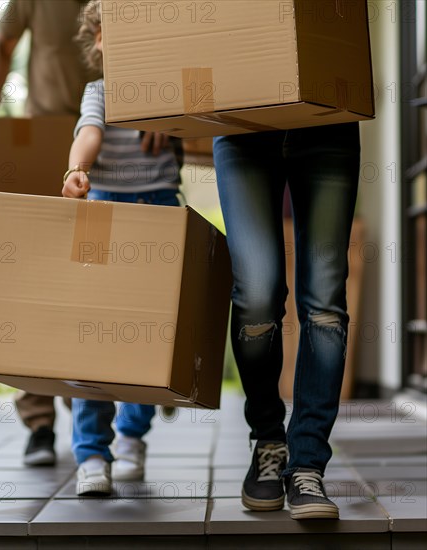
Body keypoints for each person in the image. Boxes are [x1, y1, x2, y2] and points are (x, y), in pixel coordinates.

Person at [62, 0, 183, 496]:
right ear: (100, 44)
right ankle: (92, 453)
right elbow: (89, 132)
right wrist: (76, 170)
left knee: (149, 335)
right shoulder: (100, 91)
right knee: (94, 336)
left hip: (159, 211)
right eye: (112, 32)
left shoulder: (170, 89)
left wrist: (168, 116)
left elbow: (200, 128)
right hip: (107, 209)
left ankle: (132, 435)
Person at [213, 122, 361, 519]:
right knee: (257, 295)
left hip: (328, 125)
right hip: (242, 127)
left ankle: (308, 463)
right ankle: (268, 441)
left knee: (326, 304)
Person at [0, 0, 91, 467]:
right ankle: (39, 422)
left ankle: (85, 406)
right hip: (44, 139)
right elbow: (3, 45)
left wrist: (155, 119)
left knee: (89, 283)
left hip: (104, 137)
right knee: (34, 282)